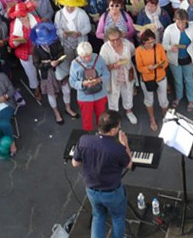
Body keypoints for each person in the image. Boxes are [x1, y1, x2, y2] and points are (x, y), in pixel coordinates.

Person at [71, 110, 131, 238]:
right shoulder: (117, 149)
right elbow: (129, 164)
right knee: (118, 218)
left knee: (98, 216)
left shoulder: (84, 140)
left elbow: (75, 163)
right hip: (112, 193)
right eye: (118, 126)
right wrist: (125, 144)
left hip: (92, 190)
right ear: (113, 130)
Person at [30, 22, 78, 125]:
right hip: (47, 74)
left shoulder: (55, 42)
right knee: (51, 94)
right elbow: (36, 64)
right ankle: (56, 112)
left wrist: (58, 61)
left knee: (67, 90)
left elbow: (61, 52)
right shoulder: (36, 49)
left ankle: (67, 108)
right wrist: (49, 64)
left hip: (60, 69)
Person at [162, 9, 193, 112]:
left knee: (189, 79)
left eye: (183, 22)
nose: (181, 25)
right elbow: (164, 45)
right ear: (175, 20)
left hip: (188, 58)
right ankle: (178, 97)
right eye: (179, 22)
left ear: (187, 20)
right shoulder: (169, 29)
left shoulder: (192, 28)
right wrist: (170, 48)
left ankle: (191, 100)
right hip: (175, 60)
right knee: (178, 80)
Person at [69, 41, 111, 132]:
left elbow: (107, 74)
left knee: (102, 120)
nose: (87, 59)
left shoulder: (99, 59)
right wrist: (82, 84)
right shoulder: (74, 63)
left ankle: (102, 135)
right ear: (79, 55)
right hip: (84, 98)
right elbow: (72, 82)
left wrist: (99, 80)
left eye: (89, 55)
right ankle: (89, 139)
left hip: (100, 95)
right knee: (87, 121)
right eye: (84, 57)